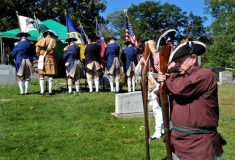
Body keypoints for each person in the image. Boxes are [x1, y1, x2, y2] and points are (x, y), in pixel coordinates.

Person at [157, 41, 224, 159]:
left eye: (180, 62)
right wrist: (162, 87)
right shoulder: (179, 78)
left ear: (193, 58)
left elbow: (181, 88)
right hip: (178, 141)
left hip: (200, 144)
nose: (177, 66)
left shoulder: (205, 74)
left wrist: (168, 77)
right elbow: (163, 102)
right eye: (175, 63)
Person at [138, 29, 177, 139]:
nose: (172, 45)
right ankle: (160, 131)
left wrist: (154, 51)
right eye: (170, 43)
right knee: (157, 109)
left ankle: (169, 130)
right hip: (158, 87)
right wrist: (144, 60)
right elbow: (147, 71)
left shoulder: (174, 57)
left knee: (172, 111)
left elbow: (163, 69)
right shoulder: (159, 56)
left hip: (173, 89)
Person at [35, 29, 58, 95]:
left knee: (41, 74)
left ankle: (42, 91)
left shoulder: (41, 40)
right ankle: (50, 91)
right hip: (51, 58)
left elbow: (37, 51)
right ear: (51, 35)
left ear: (45, 35)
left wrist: (40, 55)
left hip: (42, 58)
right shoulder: (54, 41)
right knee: (51, 74)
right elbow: (55, 51)